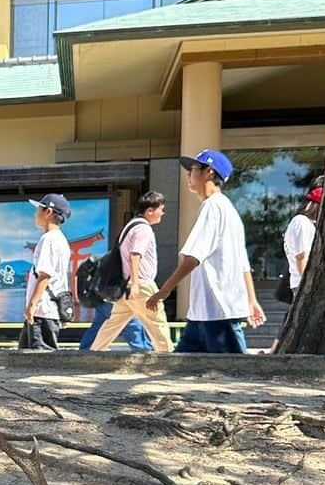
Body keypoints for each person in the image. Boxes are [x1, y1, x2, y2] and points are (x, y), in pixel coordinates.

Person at [148, 149, 265, 353]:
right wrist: (252, 300)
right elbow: (243, 264)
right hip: (203, 313)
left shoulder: (213, 207)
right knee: (179, 373)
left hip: (218, 310)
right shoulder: (229, 210)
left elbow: (193, 257)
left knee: (233, 377)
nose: (188, 175)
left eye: (192, 169)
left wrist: (165, 290)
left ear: (209, 172)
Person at [89, 191, 173, 352]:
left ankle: (96, 352)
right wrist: (135, 283)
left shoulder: (130, 226)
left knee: (114, 323)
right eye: (160, 209)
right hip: (141, 285)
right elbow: (135, 255)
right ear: (149, 210)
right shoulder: (143, 229)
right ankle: (167, 358)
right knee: (157, 322)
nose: (162, 213)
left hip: (125, 286)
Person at [266, 183, 321, 354]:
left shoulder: (302, 223)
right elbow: (301, 258)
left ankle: (276, 351)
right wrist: (308, 284)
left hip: (300, 283)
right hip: (302, 283)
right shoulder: (302, 223)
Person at [20, 193, 72, 352]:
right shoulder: (61, 239)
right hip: (47, 310)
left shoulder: (48, 239)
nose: (36, 214)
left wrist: (32, 304)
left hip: (43, 310)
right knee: (24, 359)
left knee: (39, 361)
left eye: (39, 210)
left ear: (48, 212)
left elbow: (44, 275)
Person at [79, 300, 152, 352]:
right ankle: (145, 354)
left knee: (99, 325)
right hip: (118, 296)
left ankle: (86, 352)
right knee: (133, 327)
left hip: (103, 294)